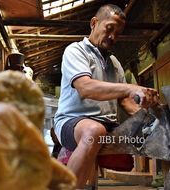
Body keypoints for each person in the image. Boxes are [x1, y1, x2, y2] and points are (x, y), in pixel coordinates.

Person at [53, 4, 158, 189]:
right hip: (72, 122)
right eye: (109, 29)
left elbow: (124, 102)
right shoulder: (75, 51)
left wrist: (148, 117)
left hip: (108, 125)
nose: (113, 37)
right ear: (94, 23)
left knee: (159, 131)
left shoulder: (114, 62)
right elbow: (86, 87)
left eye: (118, 33)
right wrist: (130, 88)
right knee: (94, 131)